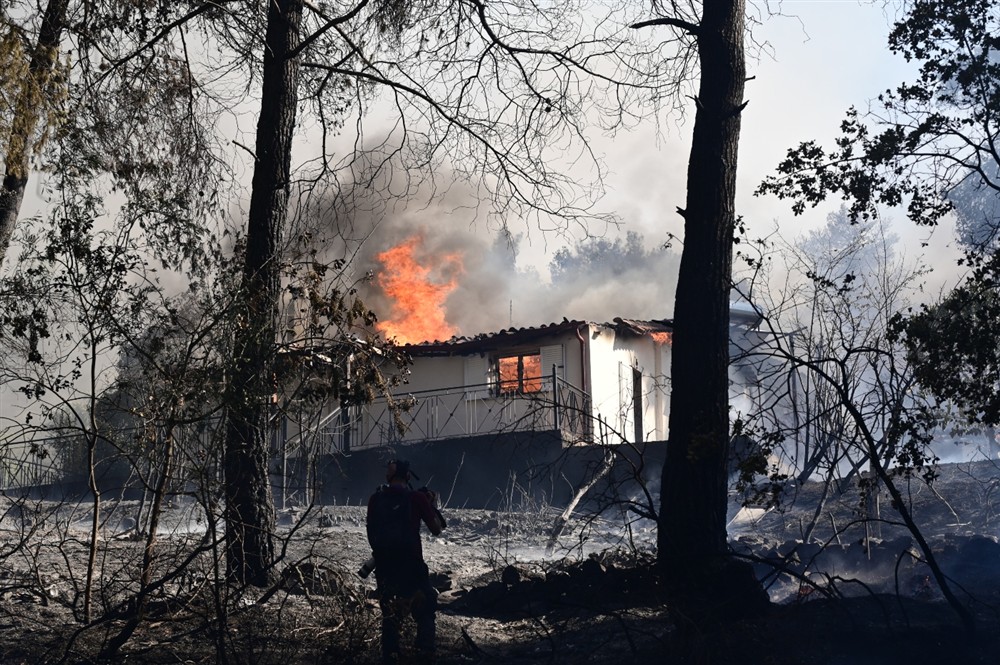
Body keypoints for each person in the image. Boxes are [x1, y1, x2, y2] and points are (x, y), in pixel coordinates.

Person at [366, 459, 446, 664]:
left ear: (388, 477)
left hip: (384, 566)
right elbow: (437, 529)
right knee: (426, 608)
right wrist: (430, 504)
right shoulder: (417, 498)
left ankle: (391, 655)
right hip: (412, 566)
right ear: (408, 477)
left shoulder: (375, 500)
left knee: (390, 615)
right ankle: (425, 653)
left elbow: (371, 533)